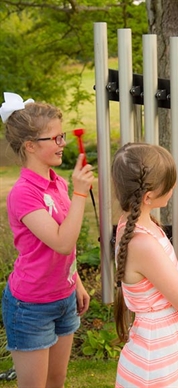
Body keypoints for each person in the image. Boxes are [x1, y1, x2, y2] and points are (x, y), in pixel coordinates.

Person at [0, 92, 94, 388]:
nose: (62, 143)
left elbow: (68, 248)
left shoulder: (57, 182)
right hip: (31, 307)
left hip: (63, 298)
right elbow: (61, 242)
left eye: (62, 136)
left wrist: (75, 282)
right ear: (30, 146)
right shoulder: (23, 193)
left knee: (57, 381)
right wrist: (80, 193)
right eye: (54, 138)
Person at [111, 142, 178, 388]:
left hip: (170, 344)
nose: (174, 186)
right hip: (158, 360)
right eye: (168, 184)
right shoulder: (142, 243)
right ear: (148, 197)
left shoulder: (138, 224)